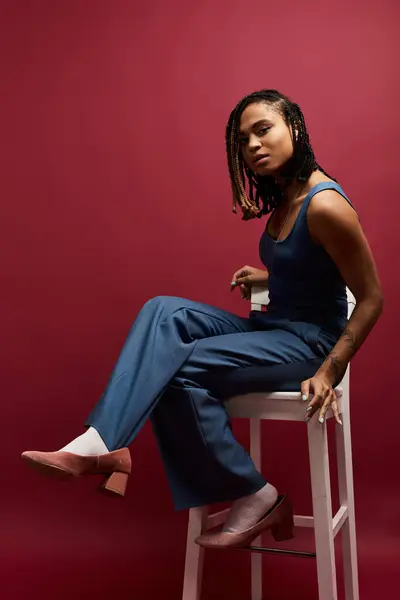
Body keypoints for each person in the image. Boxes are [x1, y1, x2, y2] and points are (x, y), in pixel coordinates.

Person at [21, 89, 383, 550]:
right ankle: (101, 440)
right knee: (162, 311)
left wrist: (330, 369)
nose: (252, 145)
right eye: (243, 140)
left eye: (263, 130)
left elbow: (371, 299)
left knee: (172, 369)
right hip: (275, 327)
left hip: (310, 346)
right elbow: (314, 266)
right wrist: (272, 274)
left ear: (294, 126)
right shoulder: (288, 194)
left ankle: (257, 494)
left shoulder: (327, 205)